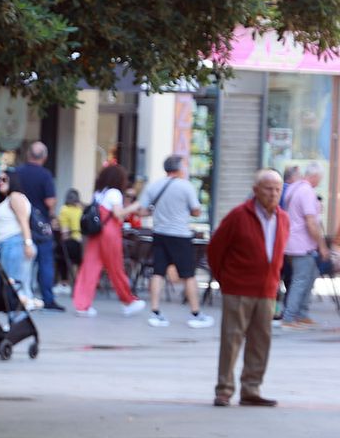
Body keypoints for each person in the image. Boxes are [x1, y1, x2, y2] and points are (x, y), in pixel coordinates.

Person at [208, 170, 289, 407]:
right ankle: (224, 389)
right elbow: (215, 250)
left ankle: (251, 388)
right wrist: (226, 281)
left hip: (267, 290)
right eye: (268, 188)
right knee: (231, 339)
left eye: (277, 189)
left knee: (261, 341)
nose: (273, 193)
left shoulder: (283, 218)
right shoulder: (238, 216)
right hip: (238, 289)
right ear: (256, 190)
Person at [138, 155, 211, 328]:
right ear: (179, 169)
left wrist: (158, 212)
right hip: (180, 235)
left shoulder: (154, 185)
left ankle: (155, 312)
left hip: (159, 233)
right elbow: (196, 211)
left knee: (158, 272)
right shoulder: (186, 186)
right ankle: (196, 313)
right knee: (188, 275)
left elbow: (141, 211)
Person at [72, 165, 147, 317]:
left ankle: (82, 305)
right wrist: (134, 207)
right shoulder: (115, 193)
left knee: (89, 267)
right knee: (116, 267)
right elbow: (118, 214)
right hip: (110, 233)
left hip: (96, 233)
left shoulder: (99, 193)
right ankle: (128, 301)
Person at [14, 141, 64, 311]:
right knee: (45, 262)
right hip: (40, 225)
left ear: (28, 154)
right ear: (44, 157)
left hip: (19, 223)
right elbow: (50, 201)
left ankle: (20, 296)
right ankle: (47, 298)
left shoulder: (17, 172)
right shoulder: (45, 175)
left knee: (22, 262)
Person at [278, 162, 324, 329]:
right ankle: (289, 318)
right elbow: (311, 222)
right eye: (320, 178)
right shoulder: (306, 191)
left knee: (310, 277)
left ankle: (302, 314)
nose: (320, 181)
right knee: (300, 280)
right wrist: (322, 245)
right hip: (302, 245)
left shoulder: (295, 188)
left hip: (295, 243)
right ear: (315, 176)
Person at [0, 168, 37, 309]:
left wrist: (28, 243)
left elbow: (24, 222)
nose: (0, 182)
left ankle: (20, 320)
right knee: (13, 286)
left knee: (16, 287)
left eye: (4, 179)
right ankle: (19, 318)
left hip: (15, 244)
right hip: (8, 244)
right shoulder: (6, 199)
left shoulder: (15, 197)